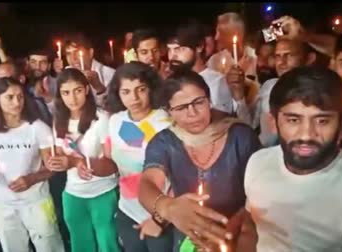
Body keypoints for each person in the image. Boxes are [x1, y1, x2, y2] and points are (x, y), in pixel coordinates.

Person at [137, 70, 261, 251]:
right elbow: (147, 184)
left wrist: (226, 231)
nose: (192, 113)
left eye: (198, 102)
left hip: (241, 232)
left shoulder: (240, 136)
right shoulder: (164, 142)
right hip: (189, 233)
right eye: (181, 108)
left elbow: (260, 195)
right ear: (169, 111)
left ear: (209, 100)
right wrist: (168, 208)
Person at [237, 66, 342, 251]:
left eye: (322, 121)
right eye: (293, 120)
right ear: (273, 123)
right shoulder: (258, 162)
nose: (306, 135)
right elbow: (251, 226)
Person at [76, 62, 173, 251]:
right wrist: (88, 165)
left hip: (160, 215)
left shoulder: (165, 123)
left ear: (151, 89)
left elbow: (179, 175)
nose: (134, 98)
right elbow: (112, 164)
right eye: (126, 92)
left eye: (141, 89)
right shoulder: (117, 121)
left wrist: (160, 220)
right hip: (127, 211)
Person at [0, 77, 65, 252]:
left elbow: (52, 166)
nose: (17, 102)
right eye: (10, 97)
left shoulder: (37, 128)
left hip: (37, 202)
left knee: (49, 246)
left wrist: (32, 178)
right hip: (4, 204)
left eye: (20, 96)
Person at [46, 68, 121, 252]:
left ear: (87, 90)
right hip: (73, 193)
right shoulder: (59, 120)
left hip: (103, 191)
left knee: (108, 243)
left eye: (77, 90)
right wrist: (53, 162)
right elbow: (58, 154)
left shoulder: (101, 119)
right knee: (80, 245)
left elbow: (112, 165)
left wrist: (77, 163)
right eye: (66, 92)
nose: (72, 98)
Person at [167, 22, 255, 125]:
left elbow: (226, 124)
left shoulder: (217, 82)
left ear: (199, 47)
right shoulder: (170, 82)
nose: (172, 56)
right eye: (169, 50)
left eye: (179, 49)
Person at [253, 39, 316, 147]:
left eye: (289, 55)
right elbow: (252, 123)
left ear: (309, 59)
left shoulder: (316, 92)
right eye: (278, 56)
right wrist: (239, 98)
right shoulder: (268, 86)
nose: (282, 62)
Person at [64, 32, 115, 106]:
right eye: (68, 54)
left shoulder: (109, 74)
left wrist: (99, 88)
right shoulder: (67, 75)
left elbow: (113, 108)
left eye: (77, 52)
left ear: (91, 53)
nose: (73, 58)